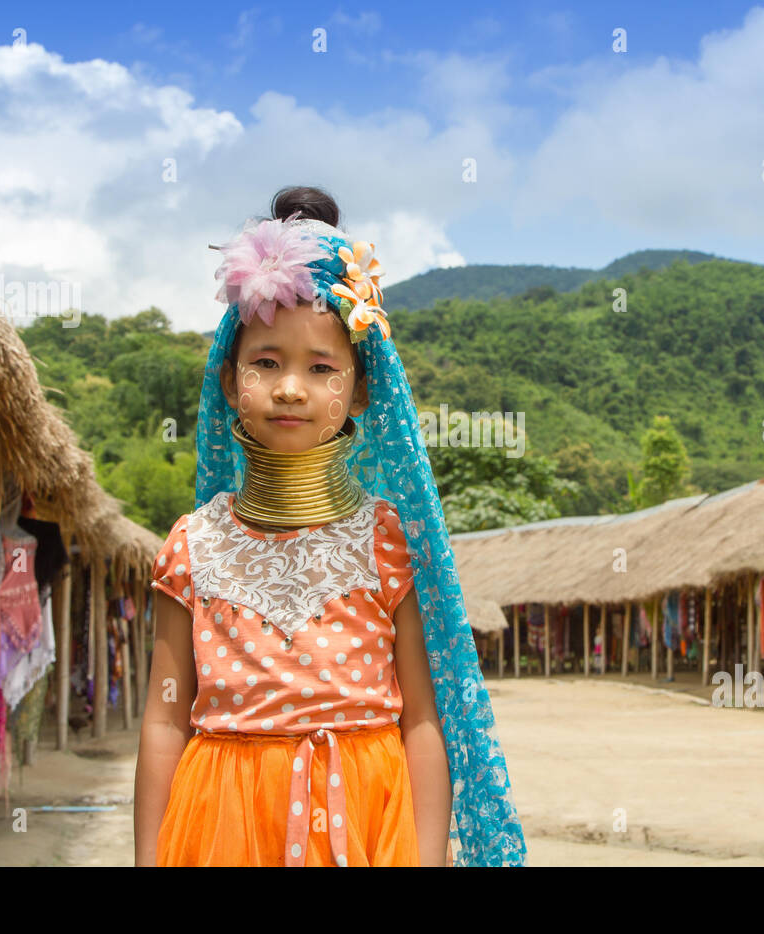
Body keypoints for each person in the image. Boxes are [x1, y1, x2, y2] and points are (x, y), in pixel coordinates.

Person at [133, 187, 526, 867]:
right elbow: (166, 717)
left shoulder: (384, 541)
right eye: (266, 363)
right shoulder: (190, 544)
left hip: (366, 823)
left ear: (362, 388)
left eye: (321, 368)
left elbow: (422, 720)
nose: (291, 387)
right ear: (229, 382)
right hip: (220, 828)